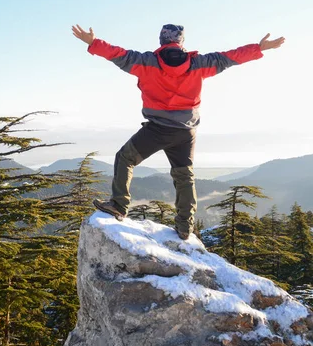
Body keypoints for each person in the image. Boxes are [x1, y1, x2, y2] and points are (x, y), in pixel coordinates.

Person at [72, 23, 284, 240]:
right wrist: (259, 48)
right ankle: (184, 227)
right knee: (184, 176)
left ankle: (118, 205)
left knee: (125, 157)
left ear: (161, 40)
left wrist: (93, 43)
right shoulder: (199, 64)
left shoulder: (146, 62)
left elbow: (118, 54)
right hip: (186, 132)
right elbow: (228, 57)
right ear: (181, 41)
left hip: (157, 130)